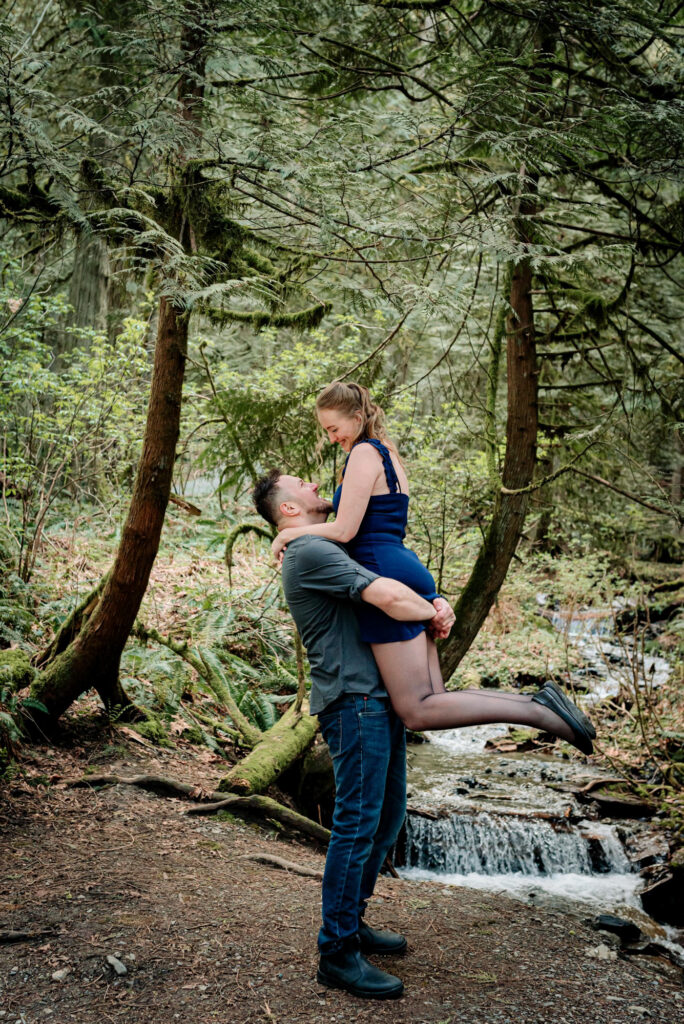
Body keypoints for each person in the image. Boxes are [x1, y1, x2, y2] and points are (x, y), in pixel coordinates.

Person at [270, 380, 596, 754]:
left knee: (418, 710)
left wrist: (286, 537)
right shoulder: (385, 452)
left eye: (333, 429)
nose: (331, 439)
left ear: (357, 418)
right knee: (434, 698)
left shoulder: (363, 454)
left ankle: (538, 712)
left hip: (383, 571)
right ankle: (535, 705)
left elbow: (345, 530)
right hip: (400, 565)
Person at [253, 468, 456, 999]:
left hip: (380, 698)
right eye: (303, 485)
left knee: (386, 818)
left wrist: (434, 603)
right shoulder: (309, 554)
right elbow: (388, 597)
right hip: (353, 700)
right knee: (357, 824)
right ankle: (337, 952)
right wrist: (431, 611)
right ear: (289, 509)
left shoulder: (322, 545)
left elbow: (399, 590)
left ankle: (354, 923)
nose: (317, 485)